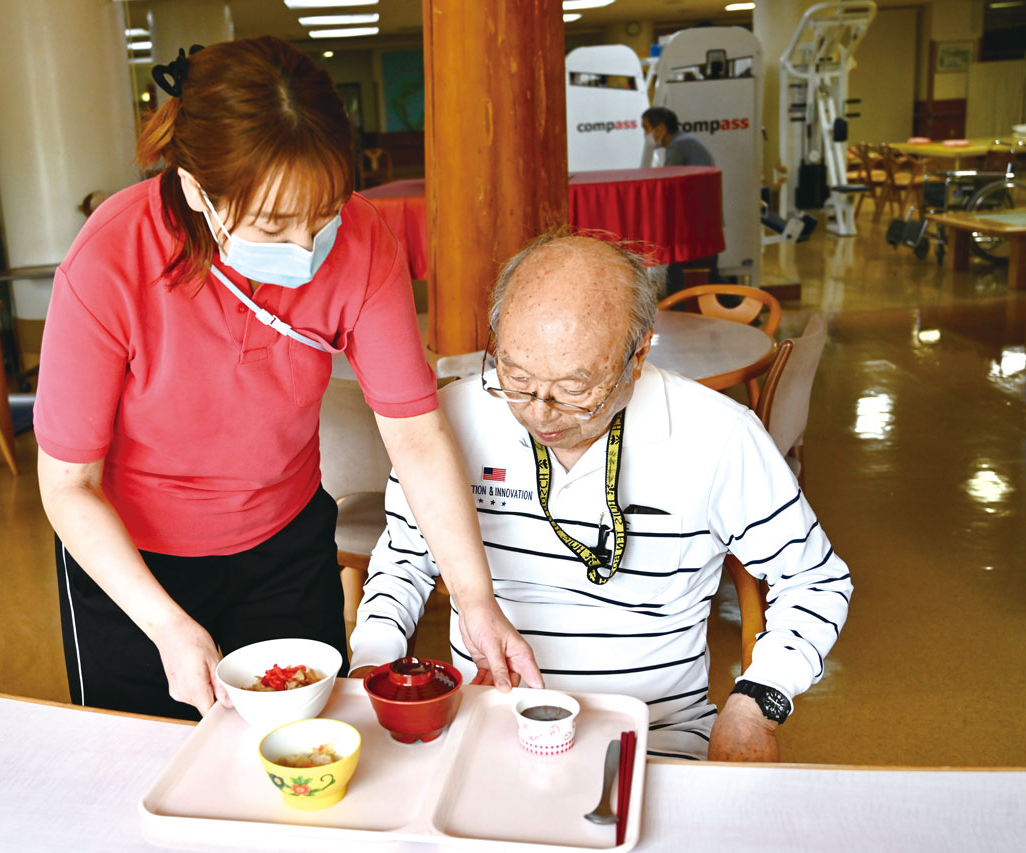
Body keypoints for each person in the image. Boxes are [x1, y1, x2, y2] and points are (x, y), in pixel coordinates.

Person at [34, 36, 542, 722]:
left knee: (303, 758)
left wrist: (475, 599)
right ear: (195, 189)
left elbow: (416, 435)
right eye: (274, 225)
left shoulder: (363, 243)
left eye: (324, 212)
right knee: (144, 773)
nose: (307, 249)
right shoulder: (111, 259)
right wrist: (165, 623)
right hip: (134, 567)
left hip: (285, 547)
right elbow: (69, 485)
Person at [348, 230, 851, 761]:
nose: (540, 412)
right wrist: (370, 665)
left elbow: (816, 582)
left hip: (656, 732)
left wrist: (758, 701)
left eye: (573, 389)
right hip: (487, 723)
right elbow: (403, 560)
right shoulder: (449, 423)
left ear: (637, 358)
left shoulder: (718, 435)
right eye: (515, 377)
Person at [641, 106, 715, 168]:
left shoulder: (677, 146)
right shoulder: (682, 139)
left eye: (646, 128)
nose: (645, 134)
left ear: (661, 129)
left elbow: (669, 179)